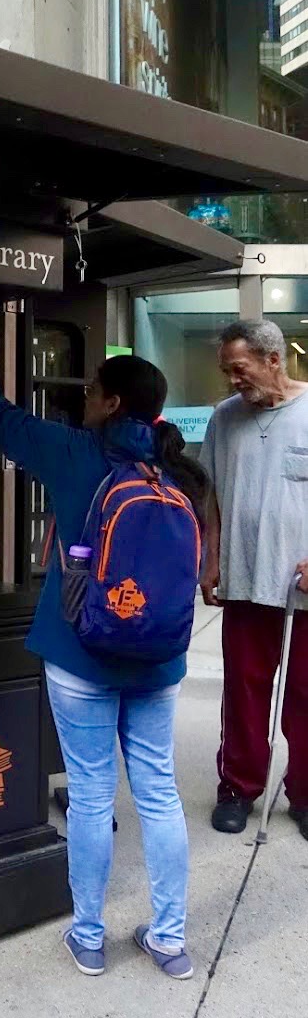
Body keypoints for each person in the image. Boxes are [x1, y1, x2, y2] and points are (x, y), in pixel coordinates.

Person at [0, 323, 208, 981]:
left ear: (114, 403)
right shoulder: (180, 471)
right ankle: (168, 941)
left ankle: (89, 937)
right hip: (159, 659)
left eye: (92, 391)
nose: (84, 398)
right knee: (158, 790)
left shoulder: (73, 453)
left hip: (81, 654)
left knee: (90, 794)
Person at [199, 320, 308, 839]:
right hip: (245, 579)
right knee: (243, 691)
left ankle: (305, 794)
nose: (232, 381)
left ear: (273, 360)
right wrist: (210, 558)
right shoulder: (224, 419)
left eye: (238, 369)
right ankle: (239, 787)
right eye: (226, 372)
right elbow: (211, 496)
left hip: (304, 586)